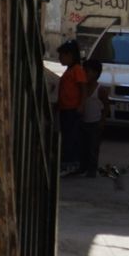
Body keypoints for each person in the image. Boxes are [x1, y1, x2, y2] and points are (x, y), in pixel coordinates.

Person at [56, 39, 87, 176]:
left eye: (62, 55)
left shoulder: (77, 70)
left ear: (70, 56)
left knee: (71, 138)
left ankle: (70, 165)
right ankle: (67, 164)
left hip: (72, 109)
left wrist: (81, 105)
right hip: (65, 108)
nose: (60, 59)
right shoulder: (69, 70)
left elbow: (83, 88)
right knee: (67, 137)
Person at [76, 58, 110, 178]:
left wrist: (102, 121)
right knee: (83, 146)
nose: (85, 74)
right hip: (84, 122)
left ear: (95, 73)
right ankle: (83, 167)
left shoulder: (100, 90)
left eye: (87, 71)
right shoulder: (83, 88)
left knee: (93, 148)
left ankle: (92, 170)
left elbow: (106, 106)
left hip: (95, 123)